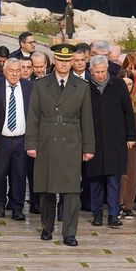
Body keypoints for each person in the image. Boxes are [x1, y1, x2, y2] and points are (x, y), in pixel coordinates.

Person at [25, 44, 95, 246]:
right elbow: (33, 116)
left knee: (72, 190)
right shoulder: (40, 84)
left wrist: (89, 147)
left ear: (73, 61)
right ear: (54, 61)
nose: (64, 64)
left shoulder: (82, 87)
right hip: (46, 140)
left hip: (71, 142)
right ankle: (47, 227)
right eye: (60, 60)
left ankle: (69, 233)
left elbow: (87, 119)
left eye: (67, 60)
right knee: (46, 187)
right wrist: (31, 142)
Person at [86, 55, 135, 228]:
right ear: (91, 71)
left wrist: (131, 136)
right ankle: (97, 213)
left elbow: (128, 111)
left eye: (103, 71)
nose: (100, 75)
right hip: (94, 140)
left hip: (115, 139)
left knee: (114, 179)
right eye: (97, 72)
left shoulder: (119, 85)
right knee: (96, 179)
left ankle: (113, 214)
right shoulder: (86, 87)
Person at [0, 58, 33, 220]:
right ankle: (0, 204)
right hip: (2, 139)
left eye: (18, 70)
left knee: (19, 174)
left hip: (22, 138)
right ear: (4, 71)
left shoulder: (29, 87)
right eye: (11, 71)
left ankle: (17, 207)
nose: (15, 74)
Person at [117, 69, 136, 219]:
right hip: (117, 141)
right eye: (123, 84)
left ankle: (128, 205)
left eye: (129, 84)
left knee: (133, 175)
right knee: (120, 175)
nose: (126, 87)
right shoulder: (114, 98)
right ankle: (118, 203)